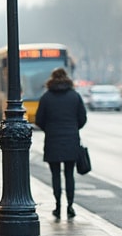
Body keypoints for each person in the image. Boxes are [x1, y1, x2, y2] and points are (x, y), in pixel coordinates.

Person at [34, 67, 88, 220]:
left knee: (55, 175)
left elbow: (39, 120)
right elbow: (83, 118)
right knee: (69, 174)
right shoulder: (74, 96)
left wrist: (49, 129)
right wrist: (73, 128)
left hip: (53, 140)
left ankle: (58, 206)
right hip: (71, 140)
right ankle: (70, 206)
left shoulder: (46, 97)